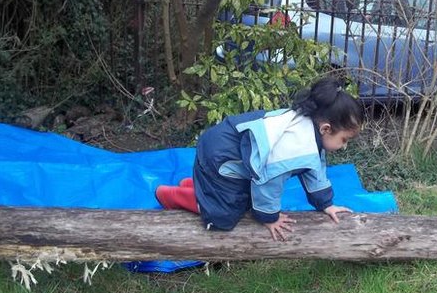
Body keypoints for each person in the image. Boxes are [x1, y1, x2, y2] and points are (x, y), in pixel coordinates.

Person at [155, 77, 365, 241]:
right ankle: (176, 196)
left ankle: (199, 186)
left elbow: (314, 171)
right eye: (344, 139)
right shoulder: (294, 148)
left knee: (241, 196)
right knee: (223, 216)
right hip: (220, 155)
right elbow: (266, 183)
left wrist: (325, 204)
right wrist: (269, 218)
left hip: (228, 143)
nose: (344, 146)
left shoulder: (310, 130)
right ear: (326, 128)